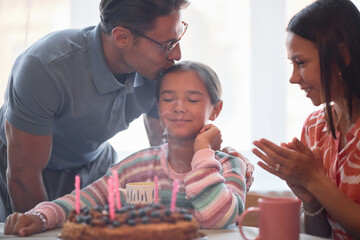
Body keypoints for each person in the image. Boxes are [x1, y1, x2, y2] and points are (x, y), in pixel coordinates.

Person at [4, 61, 247, 236]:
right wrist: (41, 216)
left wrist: (203, 150)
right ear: (156, 105)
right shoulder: (136, 166)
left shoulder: (229, 165)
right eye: (167, 98)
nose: (179, 107)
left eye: (192, 100)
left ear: (215, 109)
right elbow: (86, 199)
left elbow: (218, 217)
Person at [252, 0, 360, 239]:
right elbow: (318, 235)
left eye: (300, 63)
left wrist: (314, 180)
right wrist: (311, 201)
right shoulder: (315, 126)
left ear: (342, 55)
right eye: (291, 64)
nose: (292, 78)